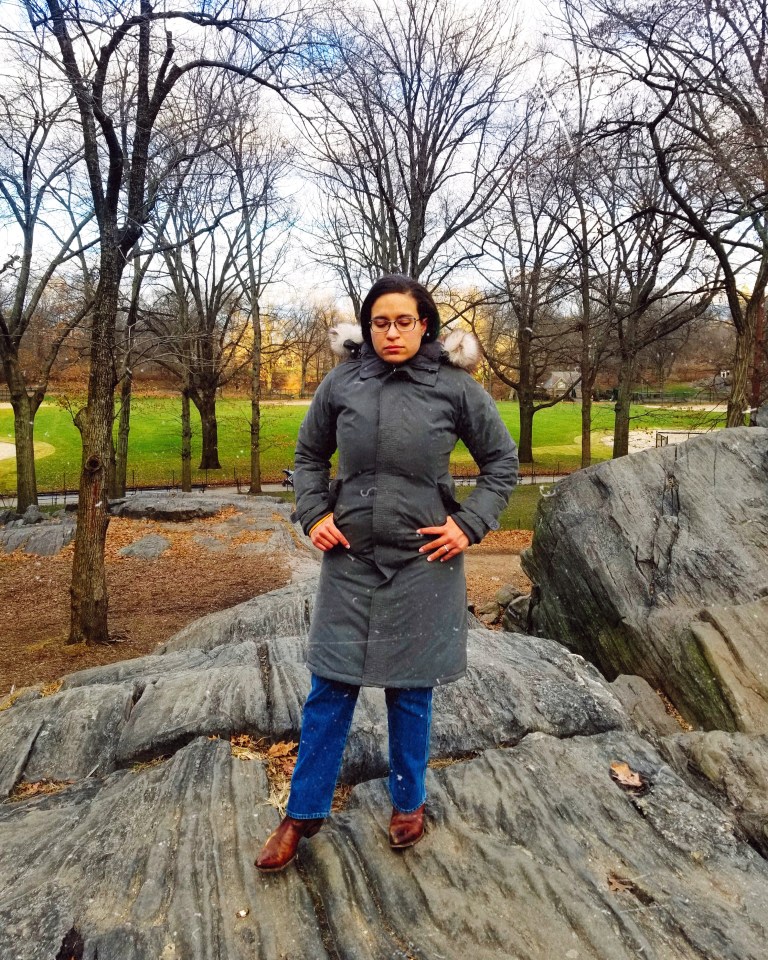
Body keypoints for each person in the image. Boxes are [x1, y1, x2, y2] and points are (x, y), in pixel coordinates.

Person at [255, 275, 518, 872]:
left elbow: (502, 462)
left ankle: (408, 801)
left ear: (425, 325)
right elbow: (308, 456)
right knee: (330, 687)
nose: (391, 332)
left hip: (425, 562)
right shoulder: (342, 382)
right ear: (367, 327)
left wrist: (469, 523)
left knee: (411, 689)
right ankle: (303, 811)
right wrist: (313, 511)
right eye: (380, 322)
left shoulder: (455, 387)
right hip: (351, 558)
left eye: (403, 321)